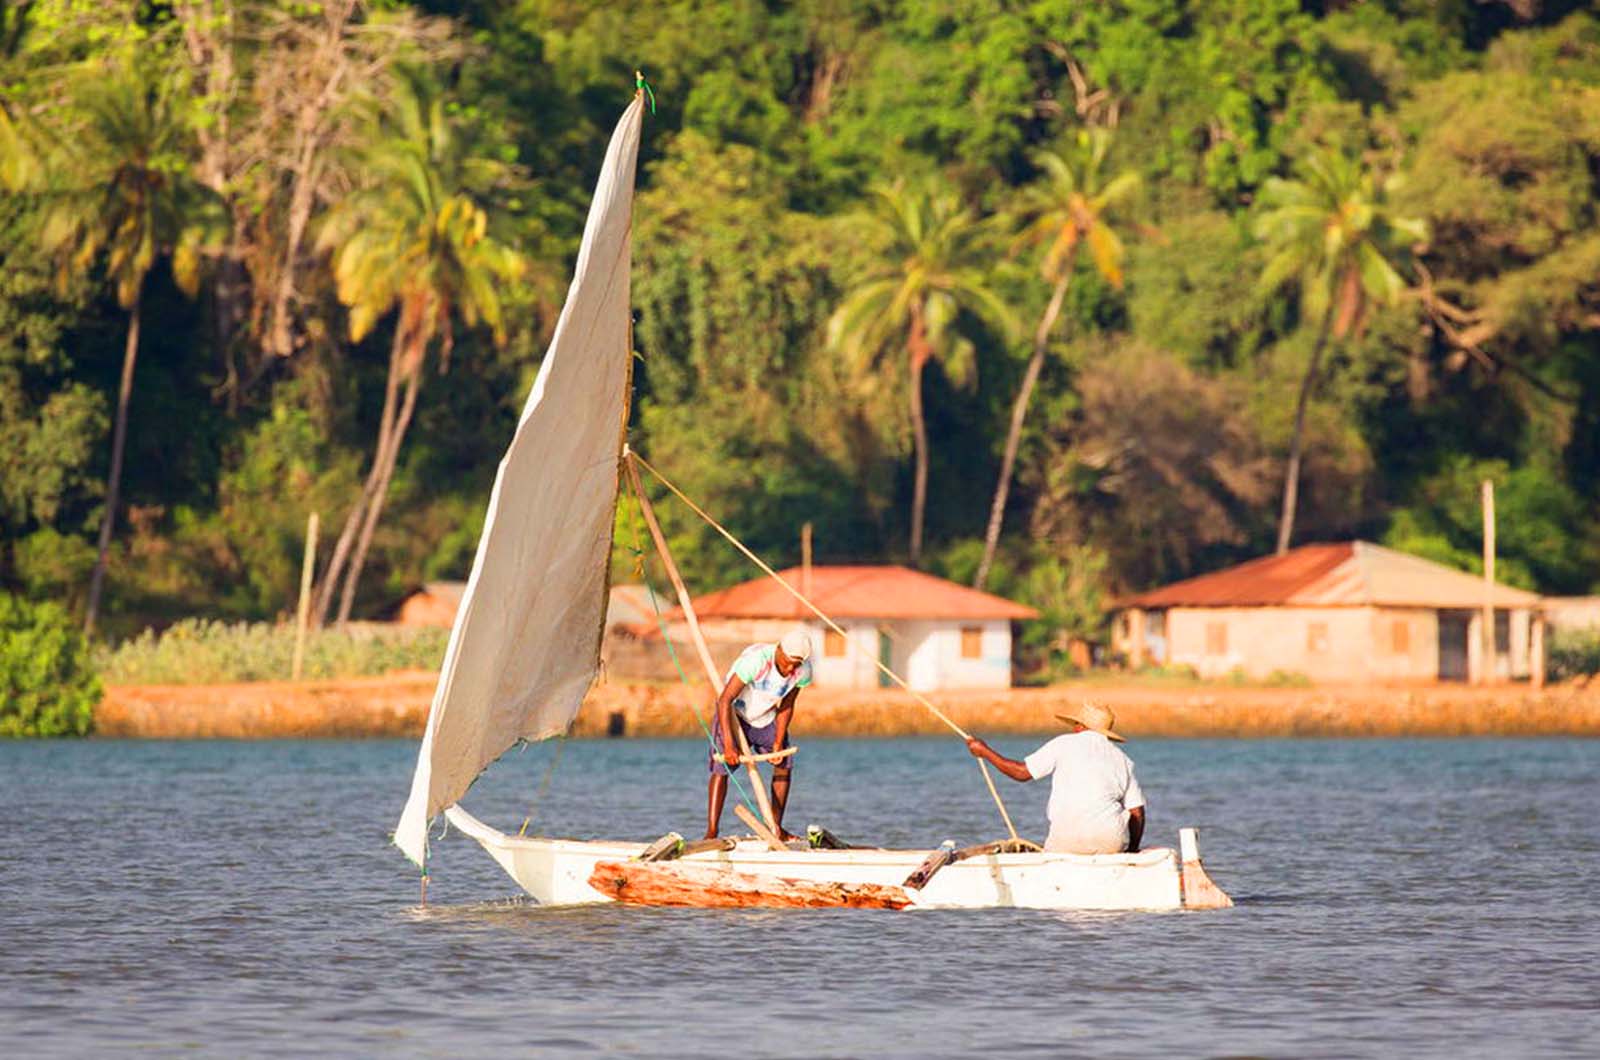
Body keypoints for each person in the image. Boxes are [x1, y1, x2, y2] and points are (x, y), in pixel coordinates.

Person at [965, 701, 1145, 855]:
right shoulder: (1123, 759)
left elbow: (1021, 773)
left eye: (1076, 724)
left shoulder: (1063, 743)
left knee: (1057, 844)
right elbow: (1137, 813)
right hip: (1109, 842)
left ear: (1080, 726)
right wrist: (1132, 851)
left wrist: (984, 751)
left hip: (1065, 841)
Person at [706, 628, 813, 840]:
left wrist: (778, 741)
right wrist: (729, 745)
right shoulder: (756, 662)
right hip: (734, 715)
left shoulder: (803, 671)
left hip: (765, 717)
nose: (790, 668)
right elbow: (724, 700)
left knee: (784, 763)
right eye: (788, 662)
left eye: (796, 664)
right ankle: (712, 831)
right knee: (721, 769)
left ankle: (776, 828)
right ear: (779, 650)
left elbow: (787, 705)